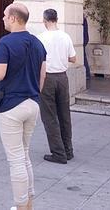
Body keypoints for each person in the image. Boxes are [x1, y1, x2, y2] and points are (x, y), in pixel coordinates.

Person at [0, 3, 46, 210]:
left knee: (15, 160)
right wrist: (34, 93)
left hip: (12, 106)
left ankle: (21, 205)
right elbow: (43, 75)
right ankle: (28, 204)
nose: (3, 18)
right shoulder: (37, 43)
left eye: (5, 15)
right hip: (32, 103)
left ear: (14, 18)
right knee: (24, 155)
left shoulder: (6, 43)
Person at [38, 8, 76, 164]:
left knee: (49, 116)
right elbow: (73, 58)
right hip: (62, 77)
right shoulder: (65, 36)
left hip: (47, 78)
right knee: (64, 114)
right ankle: (68, 150)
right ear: (57, 19)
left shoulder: (40, 38)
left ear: (45, 20)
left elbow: (38, 61)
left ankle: (58, 152)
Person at [83, 14, 91, 82]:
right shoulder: (84, 18)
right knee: (84, 57)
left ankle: (87, 74)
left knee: (83, 57)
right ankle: (87, 74)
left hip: (83, 40)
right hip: (84, 39)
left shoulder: (82, 19)